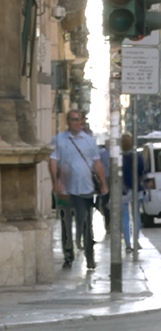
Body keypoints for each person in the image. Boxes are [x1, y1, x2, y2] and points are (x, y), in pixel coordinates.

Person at [48, 110, 107, 269]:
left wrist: (103, 183)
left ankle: (90, 257)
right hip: (65, 190)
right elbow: (53, 162)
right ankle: (68, 256)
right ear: (68, 121)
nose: (75, 122)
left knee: (86, 225)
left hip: (85, 189)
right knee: (66, 225)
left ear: (82, 121)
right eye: (73, 119)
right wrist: (56, 183)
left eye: (78, 119)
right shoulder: (59, 140)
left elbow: (97, 163)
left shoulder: (89, 141)